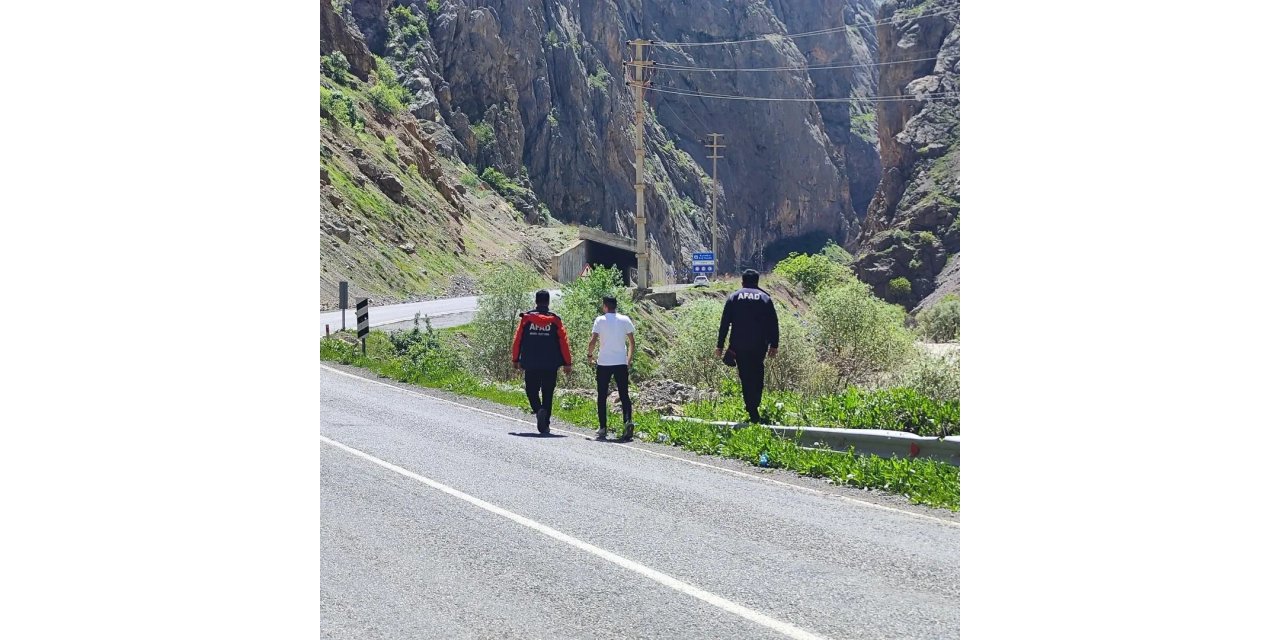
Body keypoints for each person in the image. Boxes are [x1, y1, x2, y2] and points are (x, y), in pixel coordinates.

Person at [716, 269, 779, 424]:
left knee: (745, 376)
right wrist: (774, 345)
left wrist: (720, 345)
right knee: (758, 374)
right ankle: (754, 406)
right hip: (759, 346)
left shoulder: (734, 297)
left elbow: (724, 324)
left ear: (742, 282)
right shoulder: (765, 298)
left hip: (739, 345)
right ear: (757, 282)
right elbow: (773, 324)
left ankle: (752, 409)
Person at [511, 290, 572, 435]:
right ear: (548, 302)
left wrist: (515, 359)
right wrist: (567, 362)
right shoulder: (555, 321)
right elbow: (563, 342)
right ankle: (545, 424)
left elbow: (517, 340)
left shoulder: (526, 320)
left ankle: (539, 410)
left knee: (531, 390)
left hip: (530, 362)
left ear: (536, 301)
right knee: (548, 392)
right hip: (551, 364)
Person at [586, 295, 635, 441]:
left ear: (605, 306)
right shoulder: (625, 319)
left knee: (602, 395)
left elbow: (593, 340)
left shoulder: (600, 320)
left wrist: (589, 355)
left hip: (604, 363)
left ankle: (602, 427)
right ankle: (627, 422)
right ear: (616, 306)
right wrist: (628, 359)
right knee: (624, 394)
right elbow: (632, 342)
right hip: (621, 362)